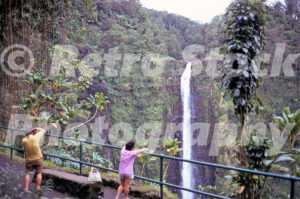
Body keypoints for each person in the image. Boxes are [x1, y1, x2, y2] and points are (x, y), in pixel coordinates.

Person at [21, 127, 46, 192]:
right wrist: (37, 128)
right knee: (39, 173)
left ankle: (26, 188)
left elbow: (24, 146)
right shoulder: (36, 137)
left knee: (27, 173)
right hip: (38, 158)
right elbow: (43, 130)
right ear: (32, 133)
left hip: (29, 159)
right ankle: (38, 188)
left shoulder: (23, 140)